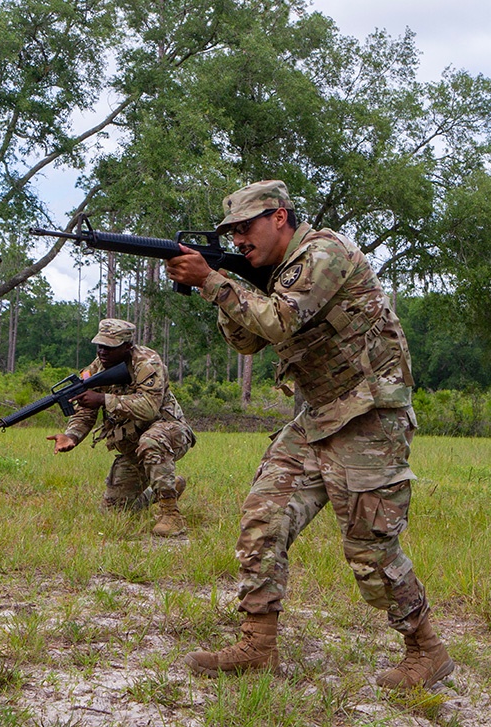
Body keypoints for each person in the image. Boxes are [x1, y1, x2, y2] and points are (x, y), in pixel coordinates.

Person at [164, 180, 453, 689]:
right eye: (230, 234)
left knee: (370, 547)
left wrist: (213, 280)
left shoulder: (323, 252)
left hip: (369, 414)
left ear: (279, 217)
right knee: (264, 516)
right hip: (319, 412)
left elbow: (280, 321)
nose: (238, 241)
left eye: (245, 228)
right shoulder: (269, 272)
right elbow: (249, 341)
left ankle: (426, 650)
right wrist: (222, 287)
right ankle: (258, 644)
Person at [47, 318, 196, 538]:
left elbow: (148, 408)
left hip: (168, 433)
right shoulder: (95, 369)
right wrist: (72, 435)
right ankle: (166, 487)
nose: (102, 352)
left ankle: (170, 514)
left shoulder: (147, 363)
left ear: (127, 347)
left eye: (109, 347)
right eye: (99, 346)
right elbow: (86, 410)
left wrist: (102, 399)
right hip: (132, 445)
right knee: (114, 513)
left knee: (151, 441)